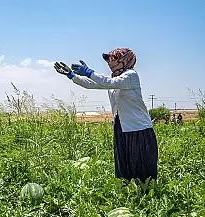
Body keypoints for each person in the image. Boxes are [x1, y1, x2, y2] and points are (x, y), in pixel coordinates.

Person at [53, 48, 158, 183]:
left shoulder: (131, 75)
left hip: (138, 127)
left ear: (124, 60)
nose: (109, 62)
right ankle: (126, 189)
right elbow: (91, 84)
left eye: (113, 59)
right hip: (121, 125)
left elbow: (109, 83)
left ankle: (146, 192)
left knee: (140, 162)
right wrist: (72, 75)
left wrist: (89, 72)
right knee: (124, 160)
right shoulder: (115, 78)